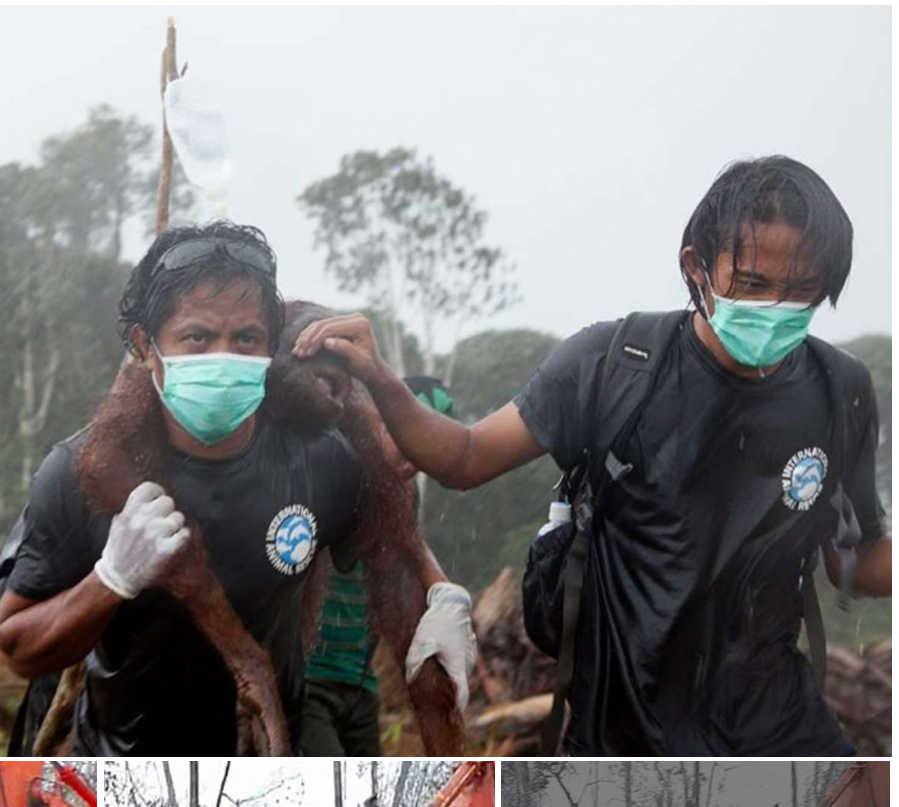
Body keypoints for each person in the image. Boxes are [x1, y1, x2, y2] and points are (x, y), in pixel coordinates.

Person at [295, 157, 890, 756]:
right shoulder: (613, 365)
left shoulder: (839, 389)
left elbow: (849, 560)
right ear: (697, 267)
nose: (774, 310)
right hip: (626, 732)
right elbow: (465, 457)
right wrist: (379, 380)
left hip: (776, 726)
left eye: (801, 293)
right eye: (753, 284)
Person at [0, 222, 475, 754]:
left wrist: (441, 600)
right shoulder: (81, 469)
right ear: (145, 347)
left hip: (265, 757)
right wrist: (110, 580)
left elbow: (390, 552)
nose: (223, 359)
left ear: (272, 348)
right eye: (197, 338)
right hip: (121, 761)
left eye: (245, 339)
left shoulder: (319, 461)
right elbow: (17, 647)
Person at [300, 377, 458, 756]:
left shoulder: (405, 495)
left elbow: (406, 560)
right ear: (377, 423)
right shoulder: (331, 467)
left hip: (359, 681)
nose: (413, 456)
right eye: (402, 435)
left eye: (427, 444)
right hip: (309, 683)